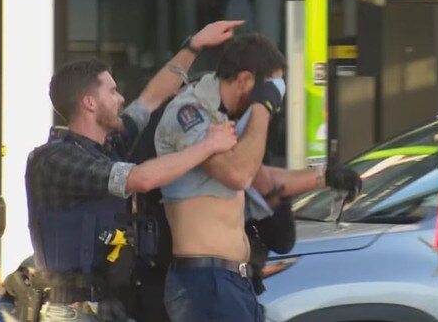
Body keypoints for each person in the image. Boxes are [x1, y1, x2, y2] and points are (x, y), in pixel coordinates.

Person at [24, 20, 243, 322]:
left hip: (109, 306)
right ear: (89, 103)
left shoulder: (107, 145)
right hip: (69, 312)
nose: (121, 98)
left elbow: (151, 99)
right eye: (112, 92)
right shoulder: (54, 161)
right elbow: (141, 178)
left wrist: (195, 45)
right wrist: (208, 145)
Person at [154, 33, 361, 322]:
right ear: (244, 80)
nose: (274, 99)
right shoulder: (189, 112)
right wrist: (262, 108)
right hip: (205, 282)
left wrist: (325, 177)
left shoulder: (224, 119)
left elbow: (261, 181)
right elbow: (238, 174)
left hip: (232, 281)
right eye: (271, 89)